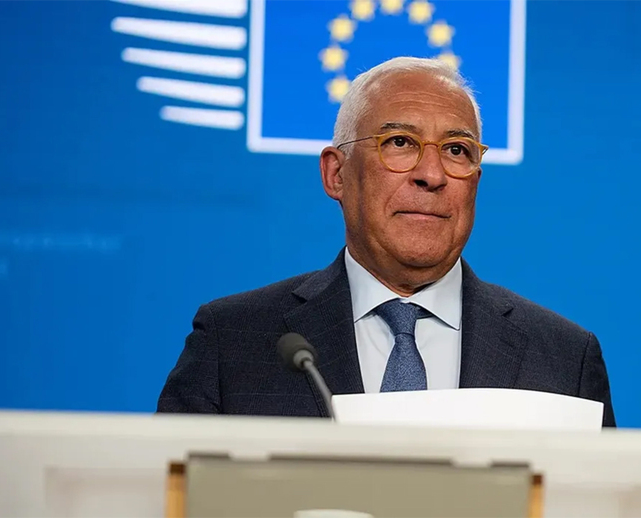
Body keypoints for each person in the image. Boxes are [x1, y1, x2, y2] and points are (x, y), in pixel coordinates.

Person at [157, 56, 616, 427]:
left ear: (476, 180)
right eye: (399, 142)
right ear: (336, 174)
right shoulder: (232, 341)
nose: (432, 174)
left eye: (457, 150)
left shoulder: (565, 358)